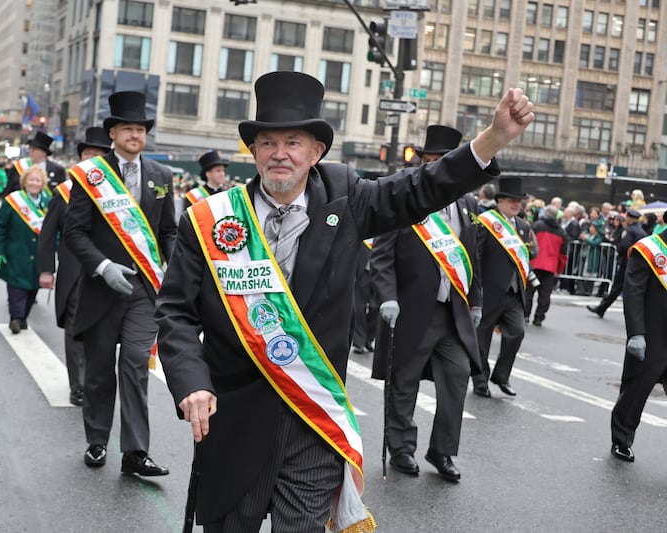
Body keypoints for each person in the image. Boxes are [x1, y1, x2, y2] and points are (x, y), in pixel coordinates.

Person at [154, 71, 534, 532]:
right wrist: (192, 383)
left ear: (316, 153)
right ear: (252, 151)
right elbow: (176, 312)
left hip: (313, 421)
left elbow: (421, 188)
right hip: (235, 420)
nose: (280, 154)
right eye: (268, 142)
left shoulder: (347, 197)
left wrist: (492, 138)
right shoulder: (208, 220)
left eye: (294, 142)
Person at [63, 91, 176, 476]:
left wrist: (176, 268)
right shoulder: (93, 176)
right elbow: (74, 232)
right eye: (128, 128)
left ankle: (135, 451)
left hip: (144, 290)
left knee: (134, 364)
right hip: (102, 287)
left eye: (141, 129)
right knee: (97, 370)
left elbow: (168, 232)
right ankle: (97, 441)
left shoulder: (162, 176)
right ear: (113, 133)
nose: (135, 135)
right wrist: (103, 266)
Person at [370, 125, 482, 482]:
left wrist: (476, 301)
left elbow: (471, 259)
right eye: (429, 161)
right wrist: (387, 297)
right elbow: (382, 257)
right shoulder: (406, 198)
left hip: (453, 312)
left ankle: (443, 451)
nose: (433, 168)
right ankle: (402, 447)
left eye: (442, 162)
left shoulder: (467, 204)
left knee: (457, 379)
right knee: (403, 381)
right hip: (411, 309)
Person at [38, 126, 112, 406]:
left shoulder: (116, 195)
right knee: (74, 330)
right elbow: (48, 234)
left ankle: (93, 381)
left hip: (105, 274)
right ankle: (77, 385)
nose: (92, 158)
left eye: (98, 154)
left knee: (101, 334)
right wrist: (47, 270)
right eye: (87, 153)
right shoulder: (65, 192)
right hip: (73, 274)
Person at [472, 177, 537, 397]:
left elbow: (527, 256)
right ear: (499, 200)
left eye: (519, 200)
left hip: (514, 293)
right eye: (511, 200)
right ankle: (480, 381)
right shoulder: (485, 222)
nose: (517, 204)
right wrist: (476, 291)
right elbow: (476, 258)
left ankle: (501, 376)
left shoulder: (522, 226)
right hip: (489, 291)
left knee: (517, 332)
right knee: (482, 339)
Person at [609, 227, 667, 462]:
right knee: (635, 391)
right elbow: (633, 292)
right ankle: (621, 439)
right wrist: (636, 333)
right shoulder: (648, 249)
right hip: (652, 334)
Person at [0, 165, 50, 334]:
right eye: (31, 179)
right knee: (16, 289)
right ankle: (15, 318)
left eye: (37, 180)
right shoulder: (13, 201)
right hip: (15, 254)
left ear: (42, 184)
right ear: (25, 182)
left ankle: (22, 318)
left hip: (38, 257)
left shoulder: (47, 203)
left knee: (32, 289)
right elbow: (0, 227)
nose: (34, 183)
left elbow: (54, 230)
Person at [587, 208, 647, 318]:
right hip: (636, 263)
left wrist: (619, 248)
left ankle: (602, 308)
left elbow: (624, 246)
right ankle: (602, 308)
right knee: (629, 289)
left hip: (627, 263)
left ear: (630, 218)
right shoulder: (641, 231)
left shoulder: (629, 230)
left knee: (617, 287)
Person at [525, 205, 567, 325]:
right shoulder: (561, 232)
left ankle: (526, 314)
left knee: (529, 291)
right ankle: (539, 317)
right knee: (545, 294)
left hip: (535, 263)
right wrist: (559, 269)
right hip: (550, 267)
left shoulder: (537, 226)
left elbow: (529, 243)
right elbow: (563, 254)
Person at [5, 131, 65, 198]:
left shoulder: (58, 170)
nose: (31, 152)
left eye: (34, 149)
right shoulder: (19, 166)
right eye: (30, 149)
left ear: (44, 152)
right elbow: (9, 191)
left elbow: (61, 197)